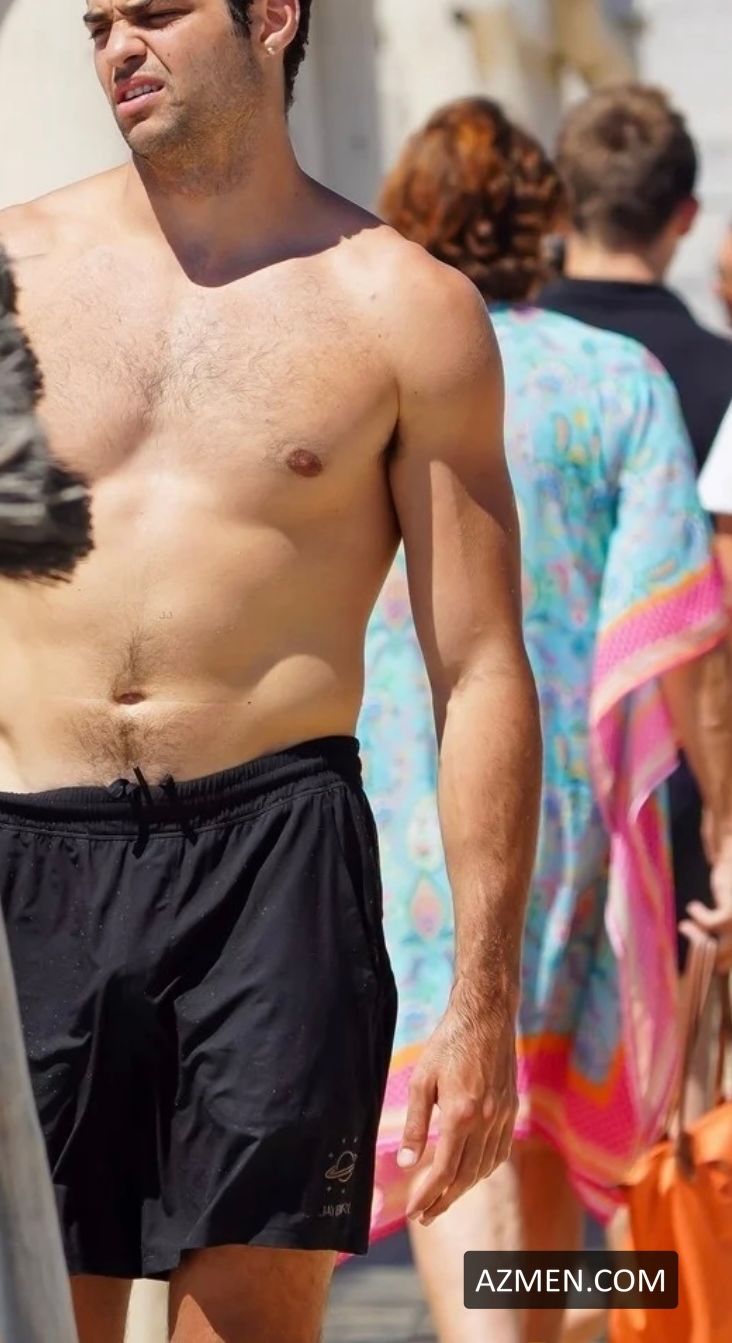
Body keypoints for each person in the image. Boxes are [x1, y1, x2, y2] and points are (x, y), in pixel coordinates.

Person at [0, 0, 541, 1343]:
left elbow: (479, 666)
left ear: (271, 20)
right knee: (28, 1317)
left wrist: (480, 1001)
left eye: (157, 14)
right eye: (100, 24)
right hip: (19, 863)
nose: (119, 49)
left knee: (249, 1321)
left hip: (271, 869)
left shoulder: (403, 311)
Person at [361, 98, 732, 1343]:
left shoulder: (373, 371)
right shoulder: (614, 380)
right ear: (545, 223)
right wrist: (719, 826)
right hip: (561, 792)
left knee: (443, 1094)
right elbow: (677, 628)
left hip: (398, 792)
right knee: (534, 1108)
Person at [541, 85, 732, 962]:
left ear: (561, 202)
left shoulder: (484, 359)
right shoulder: (721, 378)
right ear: (683, 216)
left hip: (513, 766)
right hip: (680, 780)